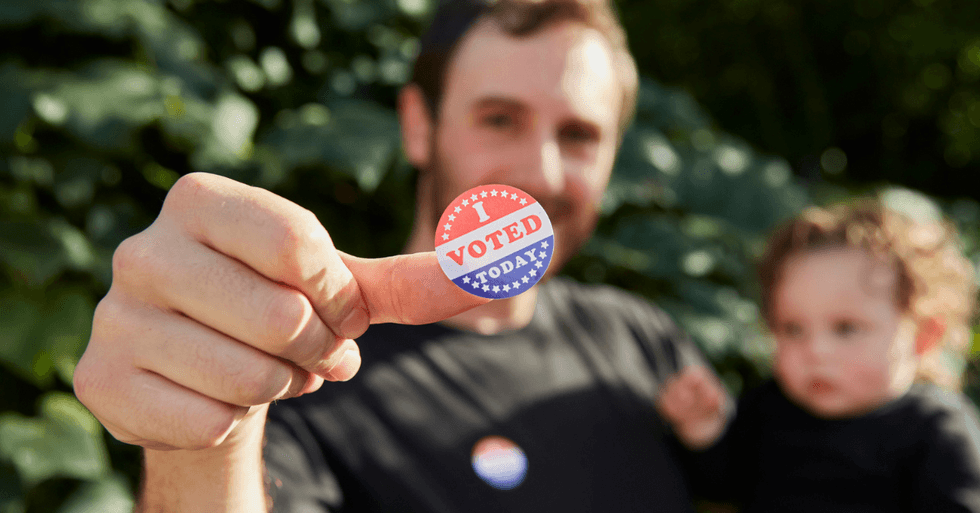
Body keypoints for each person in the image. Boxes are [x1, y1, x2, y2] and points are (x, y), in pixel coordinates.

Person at [73, 0, 714, 511]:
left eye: (579, 134)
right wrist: (205, 443)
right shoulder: (306, 360)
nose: (540, 172)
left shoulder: (644, 339)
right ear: (417, 125)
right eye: (499, 119)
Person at [657, 196, 980, 512]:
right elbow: (718, 485)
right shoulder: (768, 409)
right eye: (792, 329)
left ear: (924, 336)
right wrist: (703, 431)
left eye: (846, 328)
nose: (815, 351)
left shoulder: (937, 431)